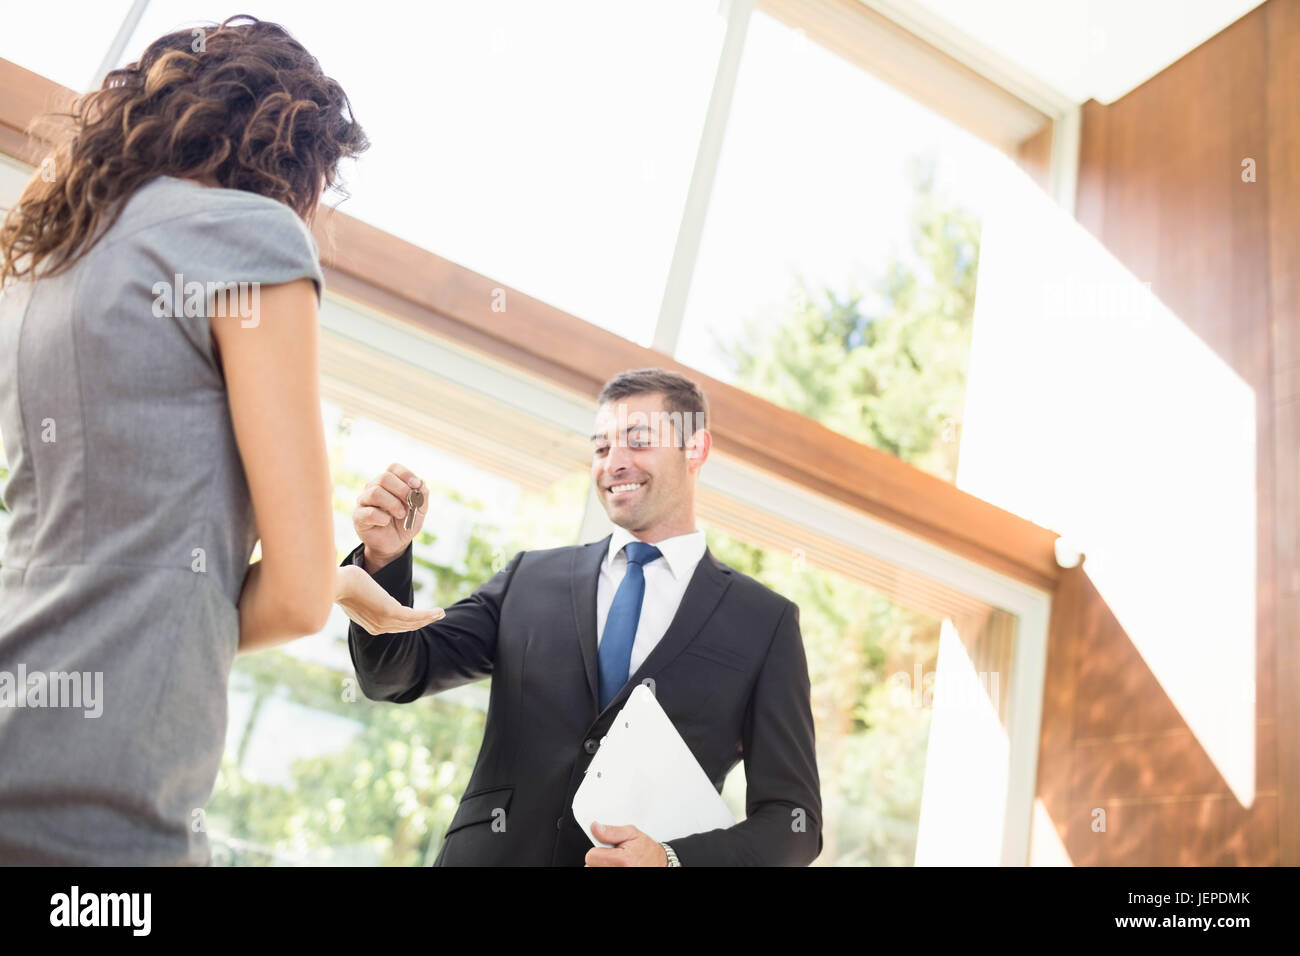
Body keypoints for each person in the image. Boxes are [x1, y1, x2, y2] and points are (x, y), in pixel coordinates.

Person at [0, 16, 433, 865]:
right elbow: (295, 595)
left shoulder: (52, 265)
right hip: (102, 800)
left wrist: (336, 580)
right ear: (294, 152)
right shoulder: (251, 237)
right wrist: (324, 581)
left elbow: (120, 553)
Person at [338, 368, 823, 865]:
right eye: (601, 447)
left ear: (695, 449)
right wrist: (383, 562)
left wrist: (671, 860)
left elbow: (794, 822)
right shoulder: (530, 577)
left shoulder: (764, 623)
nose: (614, 462)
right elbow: (396, 675)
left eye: (637, 441)